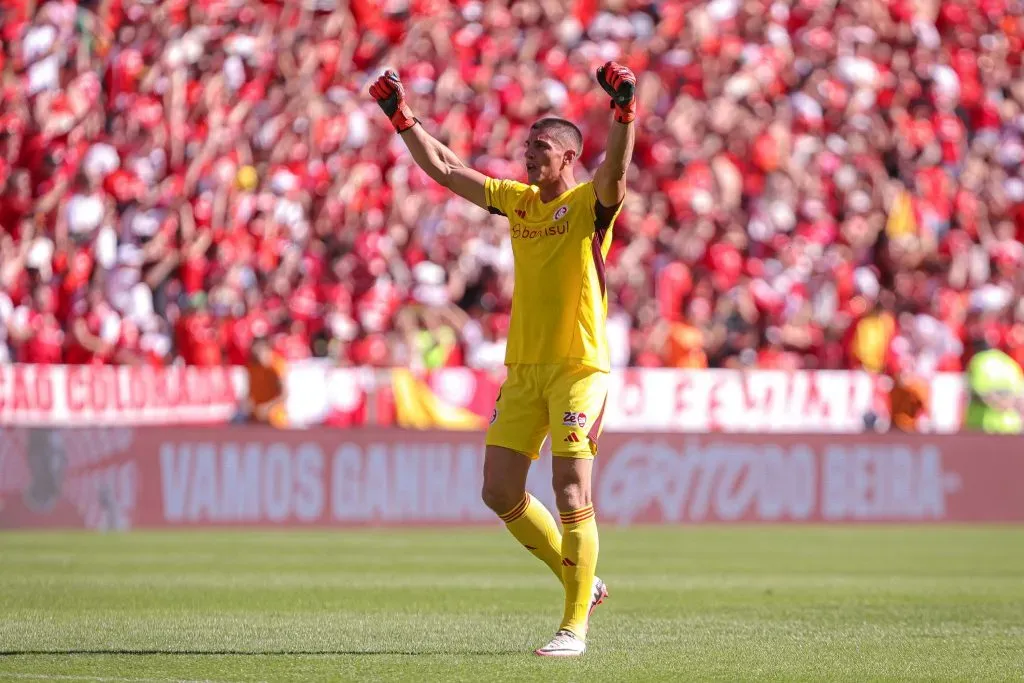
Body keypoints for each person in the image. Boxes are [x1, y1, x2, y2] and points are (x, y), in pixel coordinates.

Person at [369, 62, 637, 657]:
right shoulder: (518, 202)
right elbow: (446, 169)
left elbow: (616, 170)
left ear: (568, 157)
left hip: (579, 369)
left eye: (540, 148)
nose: (528, 155)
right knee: (498, 490)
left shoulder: (590, 205)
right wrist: (402, 118)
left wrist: (623, 111)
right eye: (526, 147)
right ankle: (582, 580)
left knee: (571, 490)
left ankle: (574, 628)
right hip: (524, 369)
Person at [963, 342, 1024, 434]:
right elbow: (1019, 396)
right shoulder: (1009, 362)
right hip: (1010, 424)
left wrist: (998, 403)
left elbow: (979, 393)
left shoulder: (978, 361)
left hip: (985, 424)